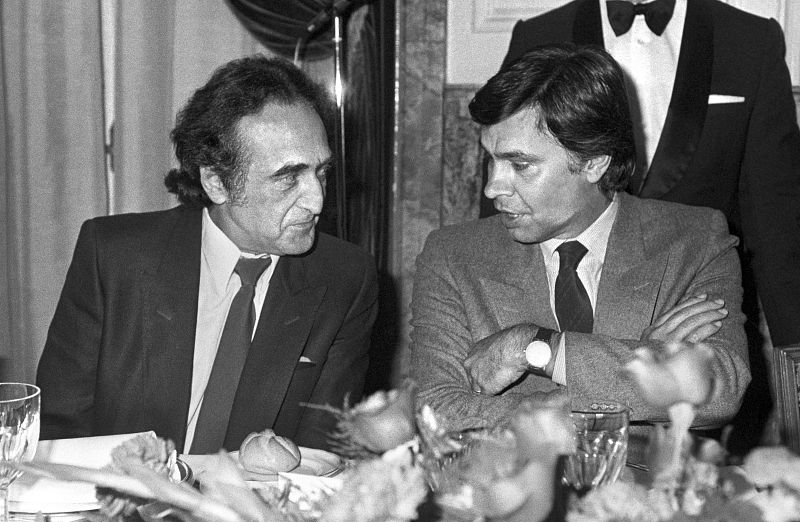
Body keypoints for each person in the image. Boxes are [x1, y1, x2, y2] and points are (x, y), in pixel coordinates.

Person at [410, 44, 750, 460]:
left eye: (520, 165)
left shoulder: (694, 240)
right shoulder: (452, 255)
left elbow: (719, 389)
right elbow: (435, 413)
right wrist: (642, 367)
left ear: (593, 163)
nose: (492, 187)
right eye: (491, 161)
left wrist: (535, 347)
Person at [498, 0, 800, 454]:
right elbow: (506, 203)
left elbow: (776, 220)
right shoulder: (539, 35)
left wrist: (795, 366)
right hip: (558, 341)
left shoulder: (749, 41)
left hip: (695, 341)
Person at [36, 55, 379, 454]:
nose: (317, 201)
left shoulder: (345, 279)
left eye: (321, 171)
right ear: (217, 182)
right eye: (289, 177)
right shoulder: (113, 258)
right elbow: (58, 434)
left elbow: (323, 453)